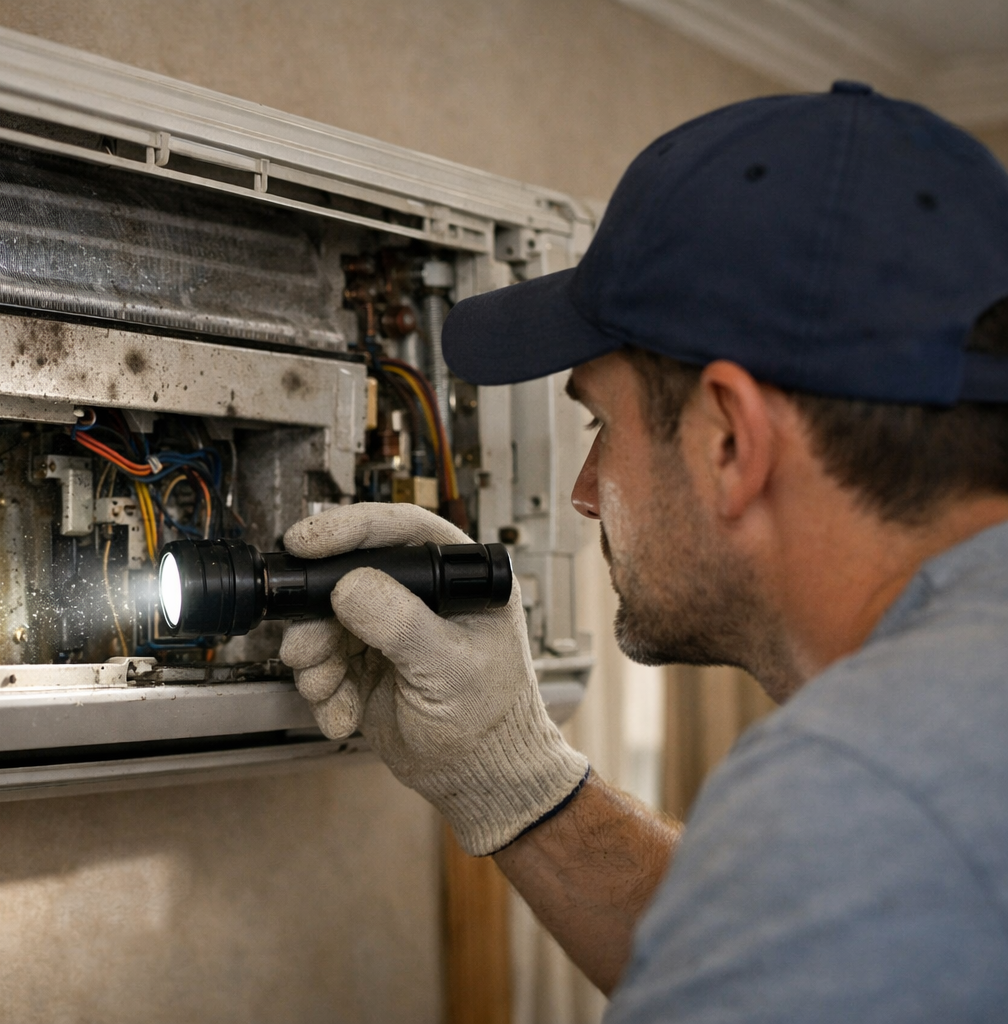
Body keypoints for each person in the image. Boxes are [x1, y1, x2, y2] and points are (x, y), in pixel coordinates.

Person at [280, 82, 1008, 1020]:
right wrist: (513, 774)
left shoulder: (860, 790)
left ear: (730, 441)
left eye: (601, 426)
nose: (584, 492)